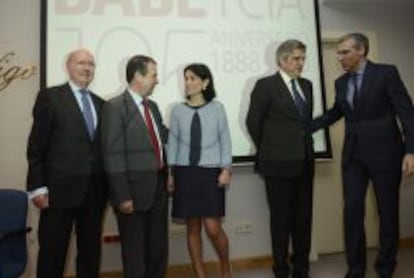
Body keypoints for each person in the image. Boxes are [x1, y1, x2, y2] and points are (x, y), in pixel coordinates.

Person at [312, 33, 414, 278]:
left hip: (386, 154)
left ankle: (385, 267)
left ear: (362, 51)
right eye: (338, 53)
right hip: (354, 158)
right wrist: (304, 127)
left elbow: (407, 112)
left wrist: (411, 149)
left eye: (345, 52)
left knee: (387, 213)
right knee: (352, 212)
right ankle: (355, 269)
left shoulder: (386, 73)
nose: (340, 57)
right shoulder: (341, 83)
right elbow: (336, 113)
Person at [26, 48, 108, 278]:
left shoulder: (101, 104)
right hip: (57, 193)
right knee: (52, 255)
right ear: (68, 66)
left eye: (91, 64)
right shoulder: (50, 97)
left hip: (94, 193)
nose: (87, 68)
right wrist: (37, 187)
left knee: (90, 255)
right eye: (81, 63)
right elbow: (36, 146)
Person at [246, 39, 315, 278]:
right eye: (296, 58)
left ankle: (302, 267)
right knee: (281, 220)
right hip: (278, 164)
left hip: (305, 162)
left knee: (304, 219)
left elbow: (304, 125)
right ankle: (281, 269)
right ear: (282, 60)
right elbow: (253, 122)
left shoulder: (307, 85)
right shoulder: (265, 86)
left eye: (303, 58)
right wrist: (272, 148)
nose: (301, 63)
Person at [101, 55, 168, 278]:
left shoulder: (154, 107)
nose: (157, 80)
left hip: (158, 188)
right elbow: (113, 155)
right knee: (135, 254)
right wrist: (122, 196)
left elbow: (160, 143)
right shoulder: (114, 107)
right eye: (153, 75)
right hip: (132, 192)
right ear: (138, 76)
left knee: (158, 250)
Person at [167, 63, 232, 278]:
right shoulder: (177, 110)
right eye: (186, 78)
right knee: (192, 227)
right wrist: (171, 173)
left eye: (193, 78)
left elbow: (225, 140)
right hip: (185, 173)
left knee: (213, 228)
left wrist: (226, 169)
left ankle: (225, 270)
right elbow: (173, 143)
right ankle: (200, 274)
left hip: (210, 172)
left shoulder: (217, 108)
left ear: (205, 82)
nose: (188, 82)